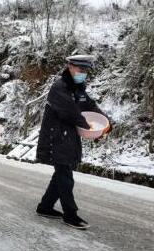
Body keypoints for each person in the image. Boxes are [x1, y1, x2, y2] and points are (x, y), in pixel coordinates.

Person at [35, 55, 111, 230]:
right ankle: (70, 214)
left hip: (68, 137)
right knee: (65, 177)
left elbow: (90, 106)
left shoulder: (77, 88)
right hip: (55, 138)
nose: (82, 73)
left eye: (85, 71)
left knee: (61, 174)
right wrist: (90, 127)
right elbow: (71, 113)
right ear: (69, 66)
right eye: (79, 69)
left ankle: (45, 207)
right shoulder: (59, 88)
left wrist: (106, 124)